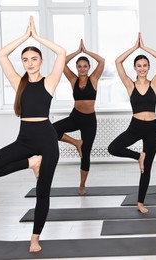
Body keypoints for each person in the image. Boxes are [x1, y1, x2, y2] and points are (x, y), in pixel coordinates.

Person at [0, 16, 66, 252]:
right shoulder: (19, 82)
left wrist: (36, 37)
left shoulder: (50, 82)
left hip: (47, 141)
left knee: (42, 193)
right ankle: (31, 163)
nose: (29, 63)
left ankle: (34, 238)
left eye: (34, 59)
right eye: (25, 59)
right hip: (25, 140)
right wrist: (23, 37)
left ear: (40, 61)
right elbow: (1, 54)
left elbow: (62, 53)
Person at [108, 33, 156, 213]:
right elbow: (118, 62)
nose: (142, 68)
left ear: (148, 67)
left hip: (152, 128)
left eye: (145, 65)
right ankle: (137, 156)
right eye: (139, 66)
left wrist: (144, 47)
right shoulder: (130, 84)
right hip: (136, 126)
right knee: (113, 148)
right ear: (135, 68)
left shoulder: (154, 83)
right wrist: (134, 48)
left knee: (146, 169)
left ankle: (140, 202)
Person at [52, 39, 105, 195]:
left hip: (89, 121)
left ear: (89, 68)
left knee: (86, 154)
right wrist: (76, 52)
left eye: (85, 66)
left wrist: (86, 51)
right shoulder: (73, 79)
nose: (82, 69)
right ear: (76, 67)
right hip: (75, 117)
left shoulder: (93, 79)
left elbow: (101, 61)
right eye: (79, 66)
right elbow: (60, 63)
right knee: (52, 129)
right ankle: (76, 142)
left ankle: (82, 186)